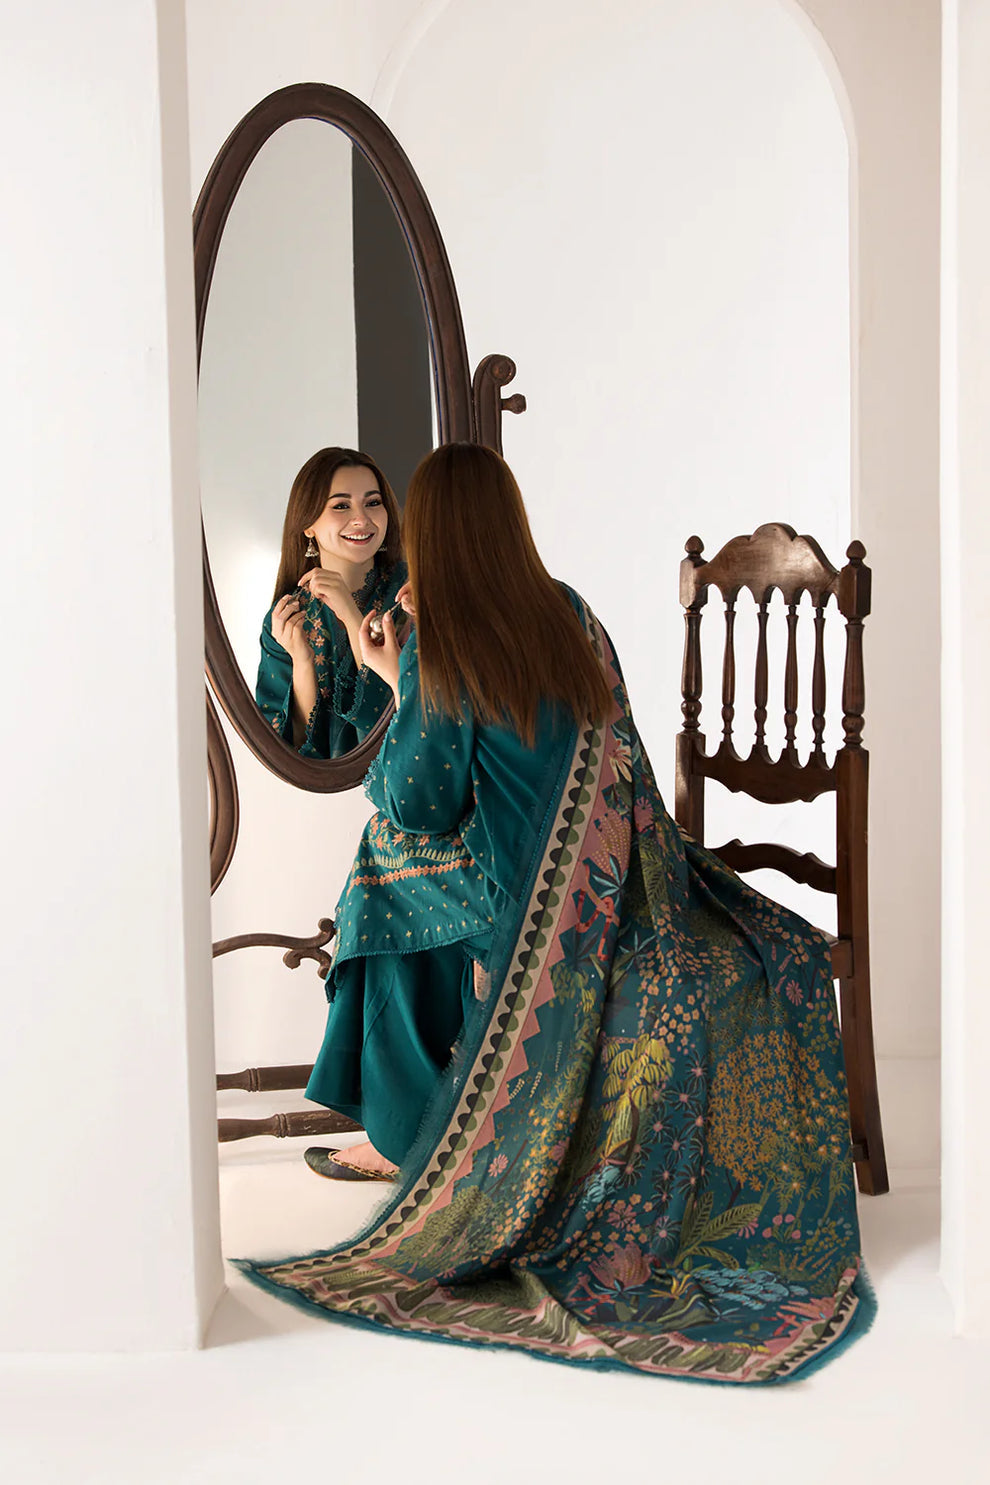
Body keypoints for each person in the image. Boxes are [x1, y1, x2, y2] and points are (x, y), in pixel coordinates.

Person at [240, 443, 873, 1386]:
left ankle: (414, 1136)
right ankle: (412, 1128)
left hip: (537, 910)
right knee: (386, 888)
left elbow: (414, 801)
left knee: (380, 883)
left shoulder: (442, 639)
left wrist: (397, 675)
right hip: (636, 879)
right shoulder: (572, 609)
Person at [255, 447, 407, 759]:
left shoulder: (412, 594)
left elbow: (408, 719)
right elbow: (288, 753)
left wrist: (351, 616)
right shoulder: (286, 618)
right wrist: (302, 661)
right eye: (341, 506)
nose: (361, 519)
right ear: (308, 524)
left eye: (373, 503)